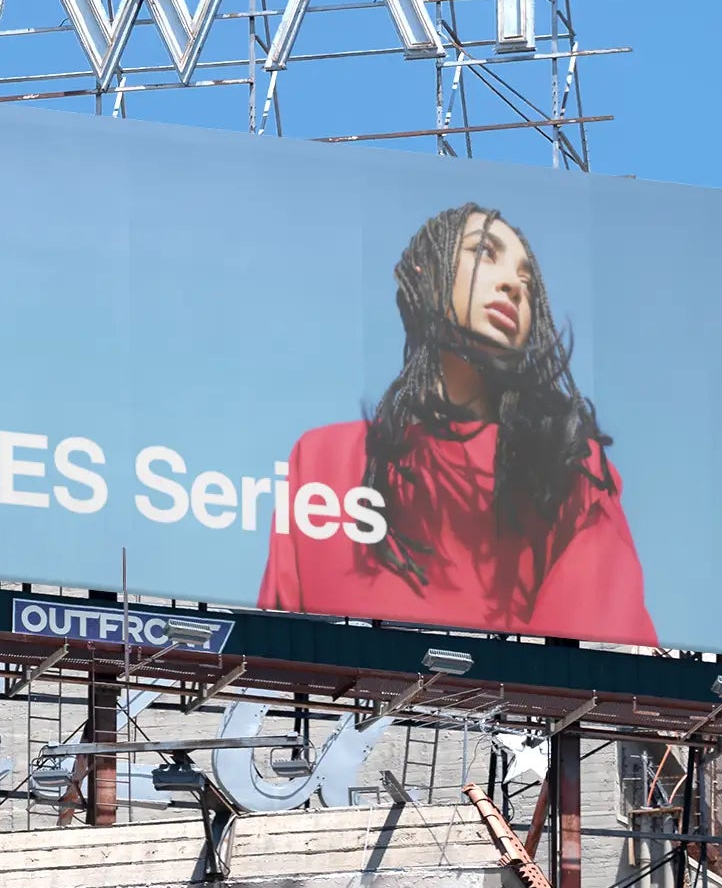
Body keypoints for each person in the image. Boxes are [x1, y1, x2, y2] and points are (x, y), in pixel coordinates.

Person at [257, 203, 656, 644]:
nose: (512, 286)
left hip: (495, 709)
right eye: (485, 251)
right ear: (425, 271)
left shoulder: (568, 468)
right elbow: (274, 651)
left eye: (527, 281)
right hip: (345, 710)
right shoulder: (322, 459)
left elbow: (599, 665)